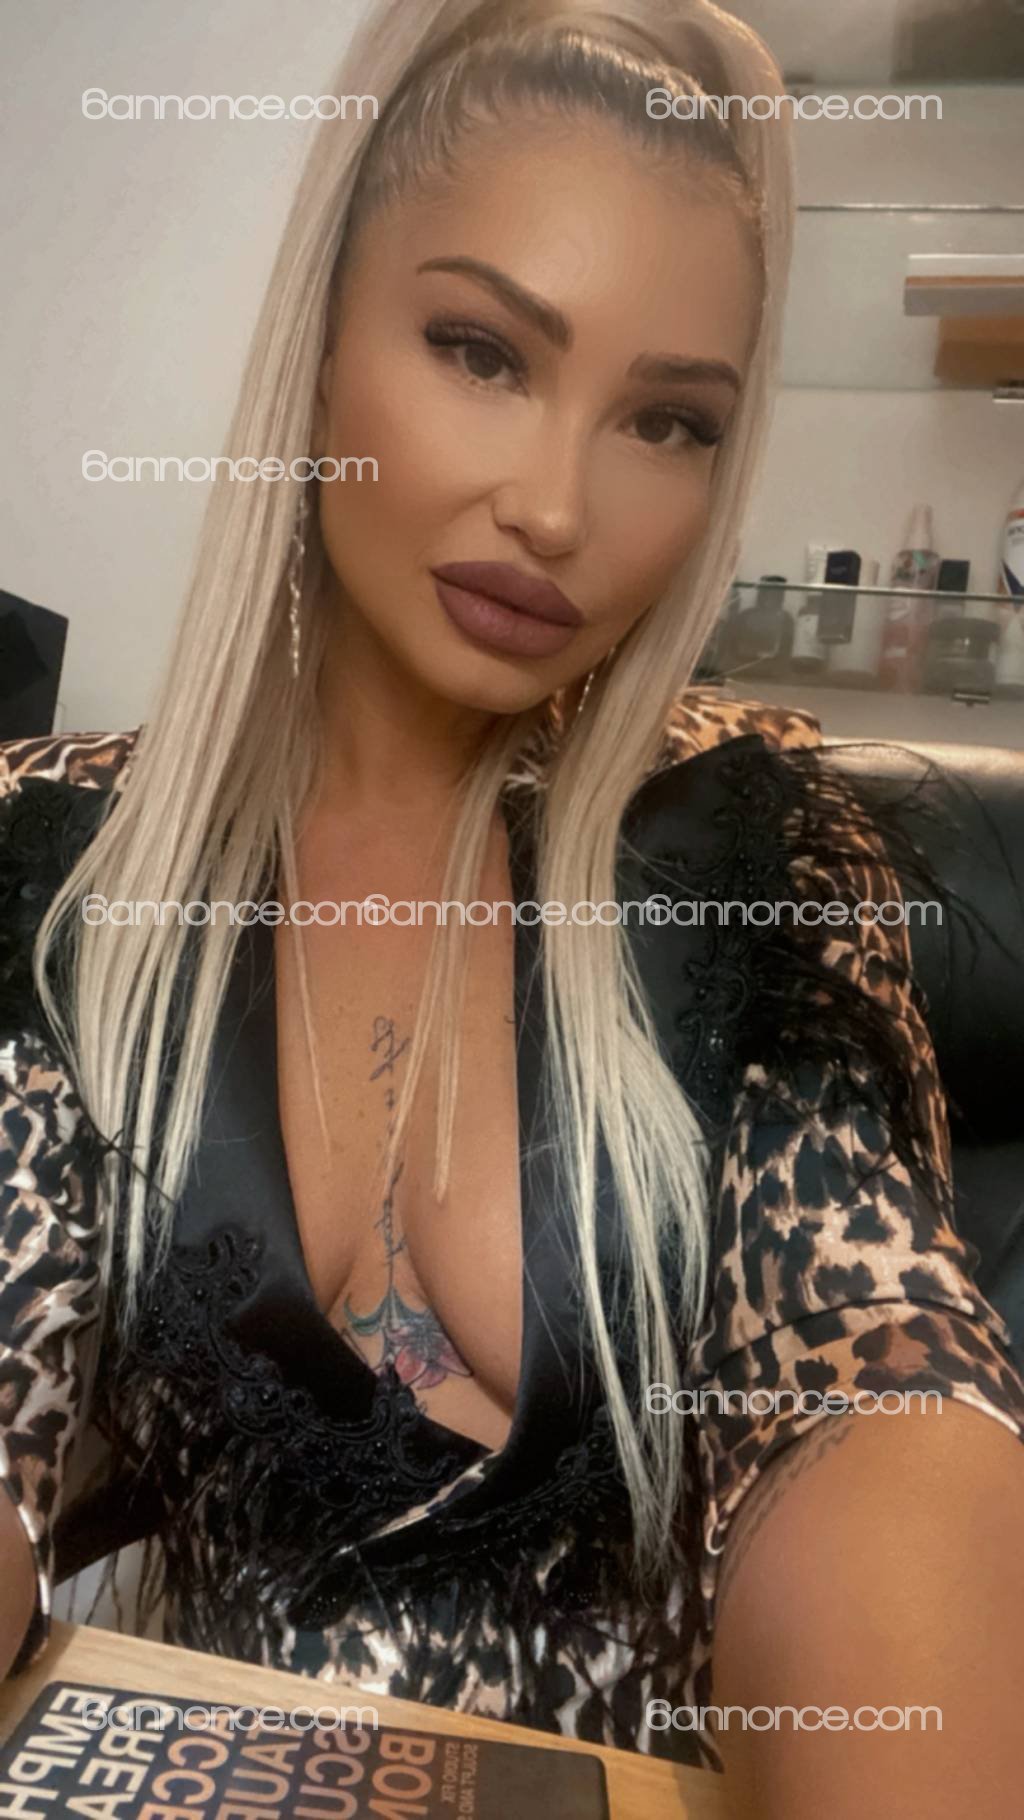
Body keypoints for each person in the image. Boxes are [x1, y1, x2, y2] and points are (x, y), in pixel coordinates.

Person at [2, 3, 1023, 1813]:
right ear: (324, 332)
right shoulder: (67, 866)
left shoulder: (743, 852)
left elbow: (870, 1369)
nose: (557, 507)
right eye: (481, 350)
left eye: (667, 420)